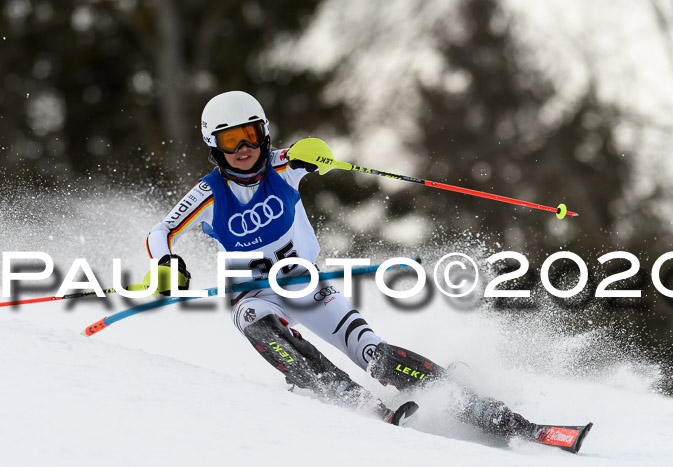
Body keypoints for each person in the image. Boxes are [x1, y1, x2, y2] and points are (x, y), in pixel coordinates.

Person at [144, 90, 531, 434]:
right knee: (253, 323)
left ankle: (475, 405)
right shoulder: (209, 193)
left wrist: (316, 154)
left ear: (263, 133)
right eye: (231, 139)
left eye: (251, 135)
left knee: (371, 352)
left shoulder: (282, 166)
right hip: (254, 296)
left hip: (305, 285)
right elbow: (160, 232)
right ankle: (349, 397)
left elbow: (314, 154)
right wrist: (167, 263)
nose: (243, 147)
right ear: (214, 146)